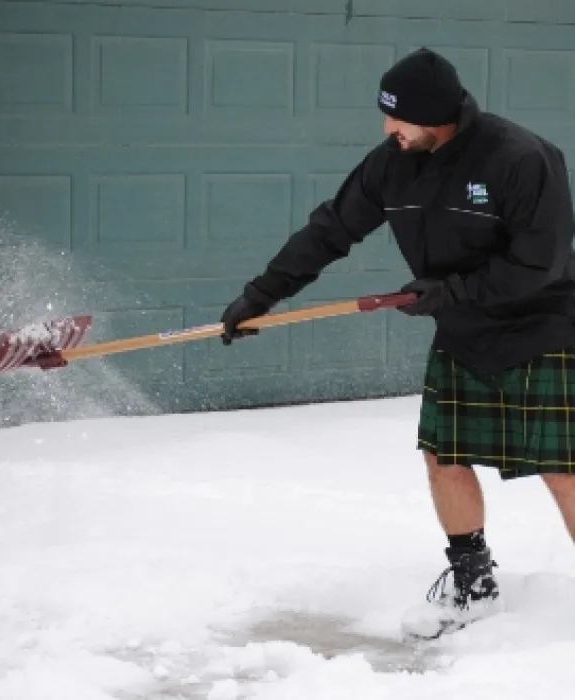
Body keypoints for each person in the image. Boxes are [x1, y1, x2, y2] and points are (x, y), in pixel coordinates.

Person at [219, 47, 575, 640]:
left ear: (438, 117)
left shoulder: (521, 157)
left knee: (563, 468)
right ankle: (473, 583)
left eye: (399, 118)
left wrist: (452, 291)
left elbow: (541, 263)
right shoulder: (392, 164)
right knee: (445, 457)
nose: (389, 129)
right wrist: (262, 294)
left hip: (541, 326)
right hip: (463, 332)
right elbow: (331, 228)